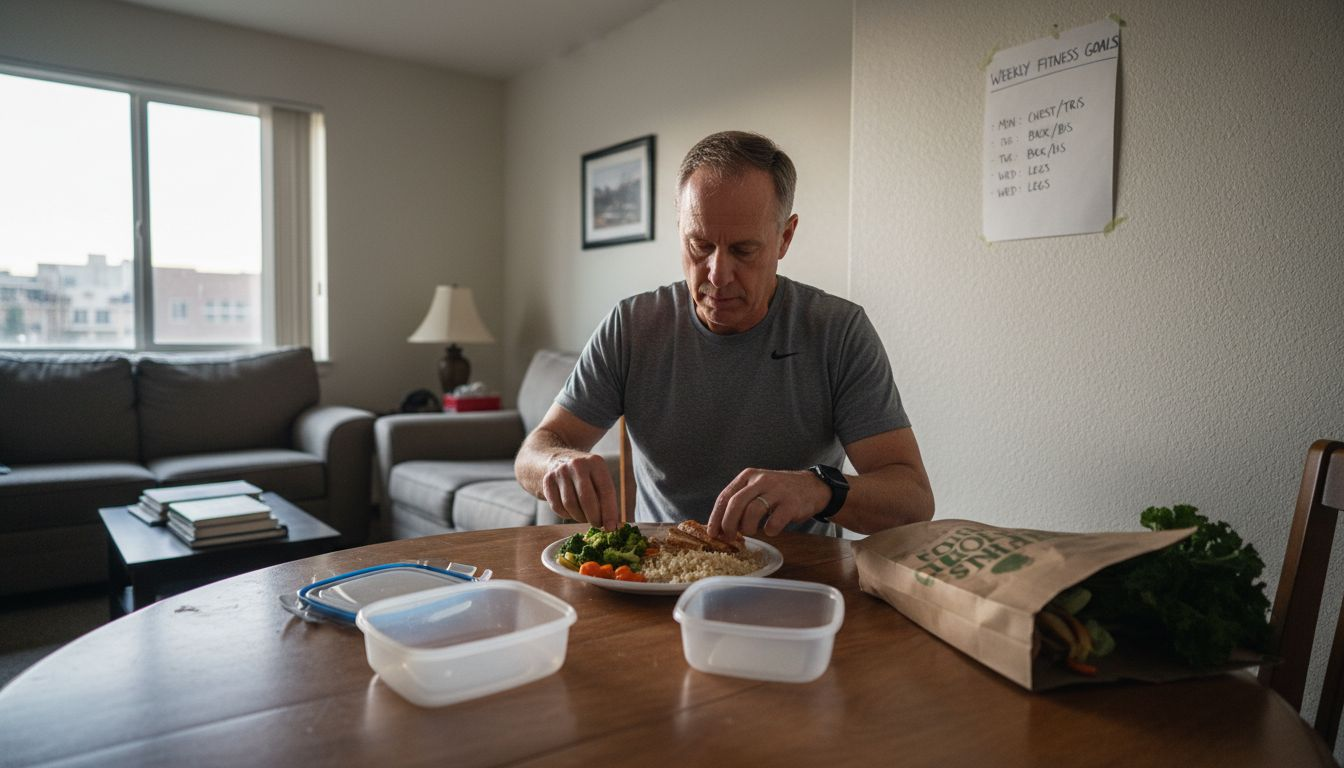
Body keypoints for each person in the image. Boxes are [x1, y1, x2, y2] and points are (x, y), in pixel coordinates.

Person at [515, 130, 933, 540]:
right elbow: (534, 453)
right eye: (699, 245)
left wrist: (819, 487)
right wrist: (556, 463)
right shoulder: (632, 326)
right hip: (661, 573)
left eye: (743, 250)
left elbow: (912, 499)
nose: (717, 275)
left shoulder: (837, 331)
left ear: (784, 237)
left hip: (799, 581)